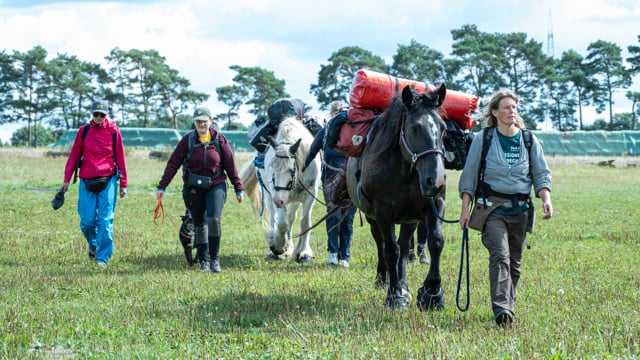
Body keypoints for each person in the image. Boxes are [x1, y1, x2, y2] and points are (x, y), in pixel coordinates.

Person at [458, 89, 553, 326]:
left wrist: (546, 199)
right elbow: (469, 174)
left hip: (520, 208)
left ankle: (507, 303)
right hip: (491, 208)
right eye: (507, 108)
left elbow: (540, 173)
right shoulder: (484, 138)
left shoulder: (529, 139)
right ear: (495, 112)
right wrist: (464, 209)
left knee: (515, 263)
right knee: (500, 256)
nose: (512, 111)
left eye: (514, 107)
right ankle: (503, 310)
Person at [156, 106, 244, 273]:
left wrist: (238, 188)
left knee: (213, 219)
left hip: (216, 185)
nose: (202, 124)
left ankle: (214, 260)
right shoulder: (187, 140)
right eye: (198, 121)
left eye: (204, 121)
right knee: (199, 223)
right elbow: (173, 163)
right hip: (193, 187)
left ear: (211, 121)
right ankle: (204, 261)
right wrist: (162, 185)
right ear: (194, 123)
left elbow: (230, 165)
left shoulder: (220, 140)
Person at [61, 100, 128, 267]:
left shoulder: (114, 131)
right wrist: (66, 180)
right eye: (95, 114)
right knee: (87, 221)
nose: (98, 117)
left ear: (107, 115)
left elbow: (120, 157)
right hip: (86, 180)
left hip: (108, 179)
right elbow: (74, 156)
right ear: (92, 114)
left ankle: (102, 257)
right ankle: (94, 245)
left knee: (105, 221)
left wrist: (124, 183)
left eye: (102, 115)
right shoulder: (83, 131)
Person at [303, 100, 357, 268]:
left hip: (331, 177)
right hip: (351, 177)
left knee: (333, 215)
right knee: (347, 217)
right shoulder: (356, 129)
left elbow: (313, 151)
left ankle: (333, 254)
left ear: (331, 114)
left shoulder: (325, 130)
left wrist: (302, 169)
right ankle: (344, 257)